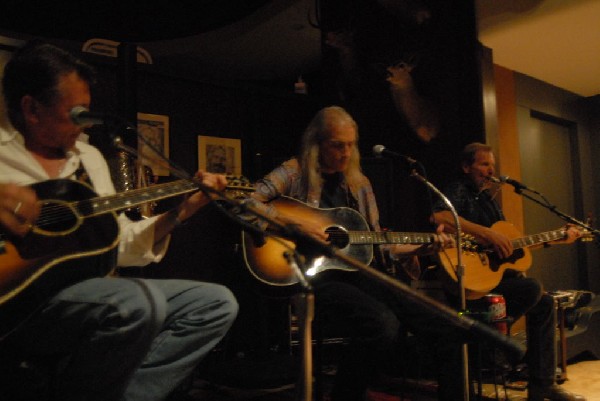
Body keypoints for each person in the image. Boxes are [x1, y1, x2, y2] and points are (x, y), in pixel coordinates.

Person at [0, 40, 238, 401]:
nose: (85, 125)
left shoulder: (90, 159)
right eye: (76, 114)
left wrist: (185, 210)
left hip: (95, 292)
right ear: (32, 109)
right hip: (22, 306)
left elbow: (122, 245)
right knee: (136, 301)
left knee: (215, 303)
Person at [248, 105, 458, 401]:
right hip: (312, 274)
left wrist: (424, 246)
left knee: (442, 320)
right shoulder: (294, 171)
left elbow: (378, 243)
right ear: (317, 143)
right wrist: (295, 226)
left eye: (350, 145)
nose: (345, 153)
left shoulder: (360, 185)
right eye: (337, 145)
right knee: (382, 324)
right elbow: (246, 201)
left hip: (356, 272)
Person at [432, 142, 586, 401]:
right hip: (468, 287)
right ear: (466, 166)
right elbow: (440, 217)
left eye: (492, 165)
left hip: (493, 282)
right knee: (532, 288)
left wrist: (557, 238)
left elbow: (511, 248)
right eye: (484, 164)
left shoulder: (488, 201)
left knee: (545, 303)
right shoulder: (458, 189)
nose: (490, 170)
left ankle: (541, 385)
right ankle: (491, 341)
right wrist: (486, 233)